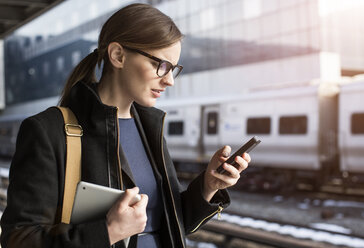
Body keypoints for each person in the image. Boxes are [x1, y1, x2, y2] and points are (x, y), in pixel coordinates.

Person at [0, 3, 251, 248]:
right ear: (118, 55)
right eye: (160, 65)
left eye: (174, 69)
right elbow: (18, 239)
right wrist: (107, 232)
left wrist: (208, 187)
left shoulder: (150, 128)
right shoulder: (48, 131)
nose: (170, 81)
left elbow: (166, 226)